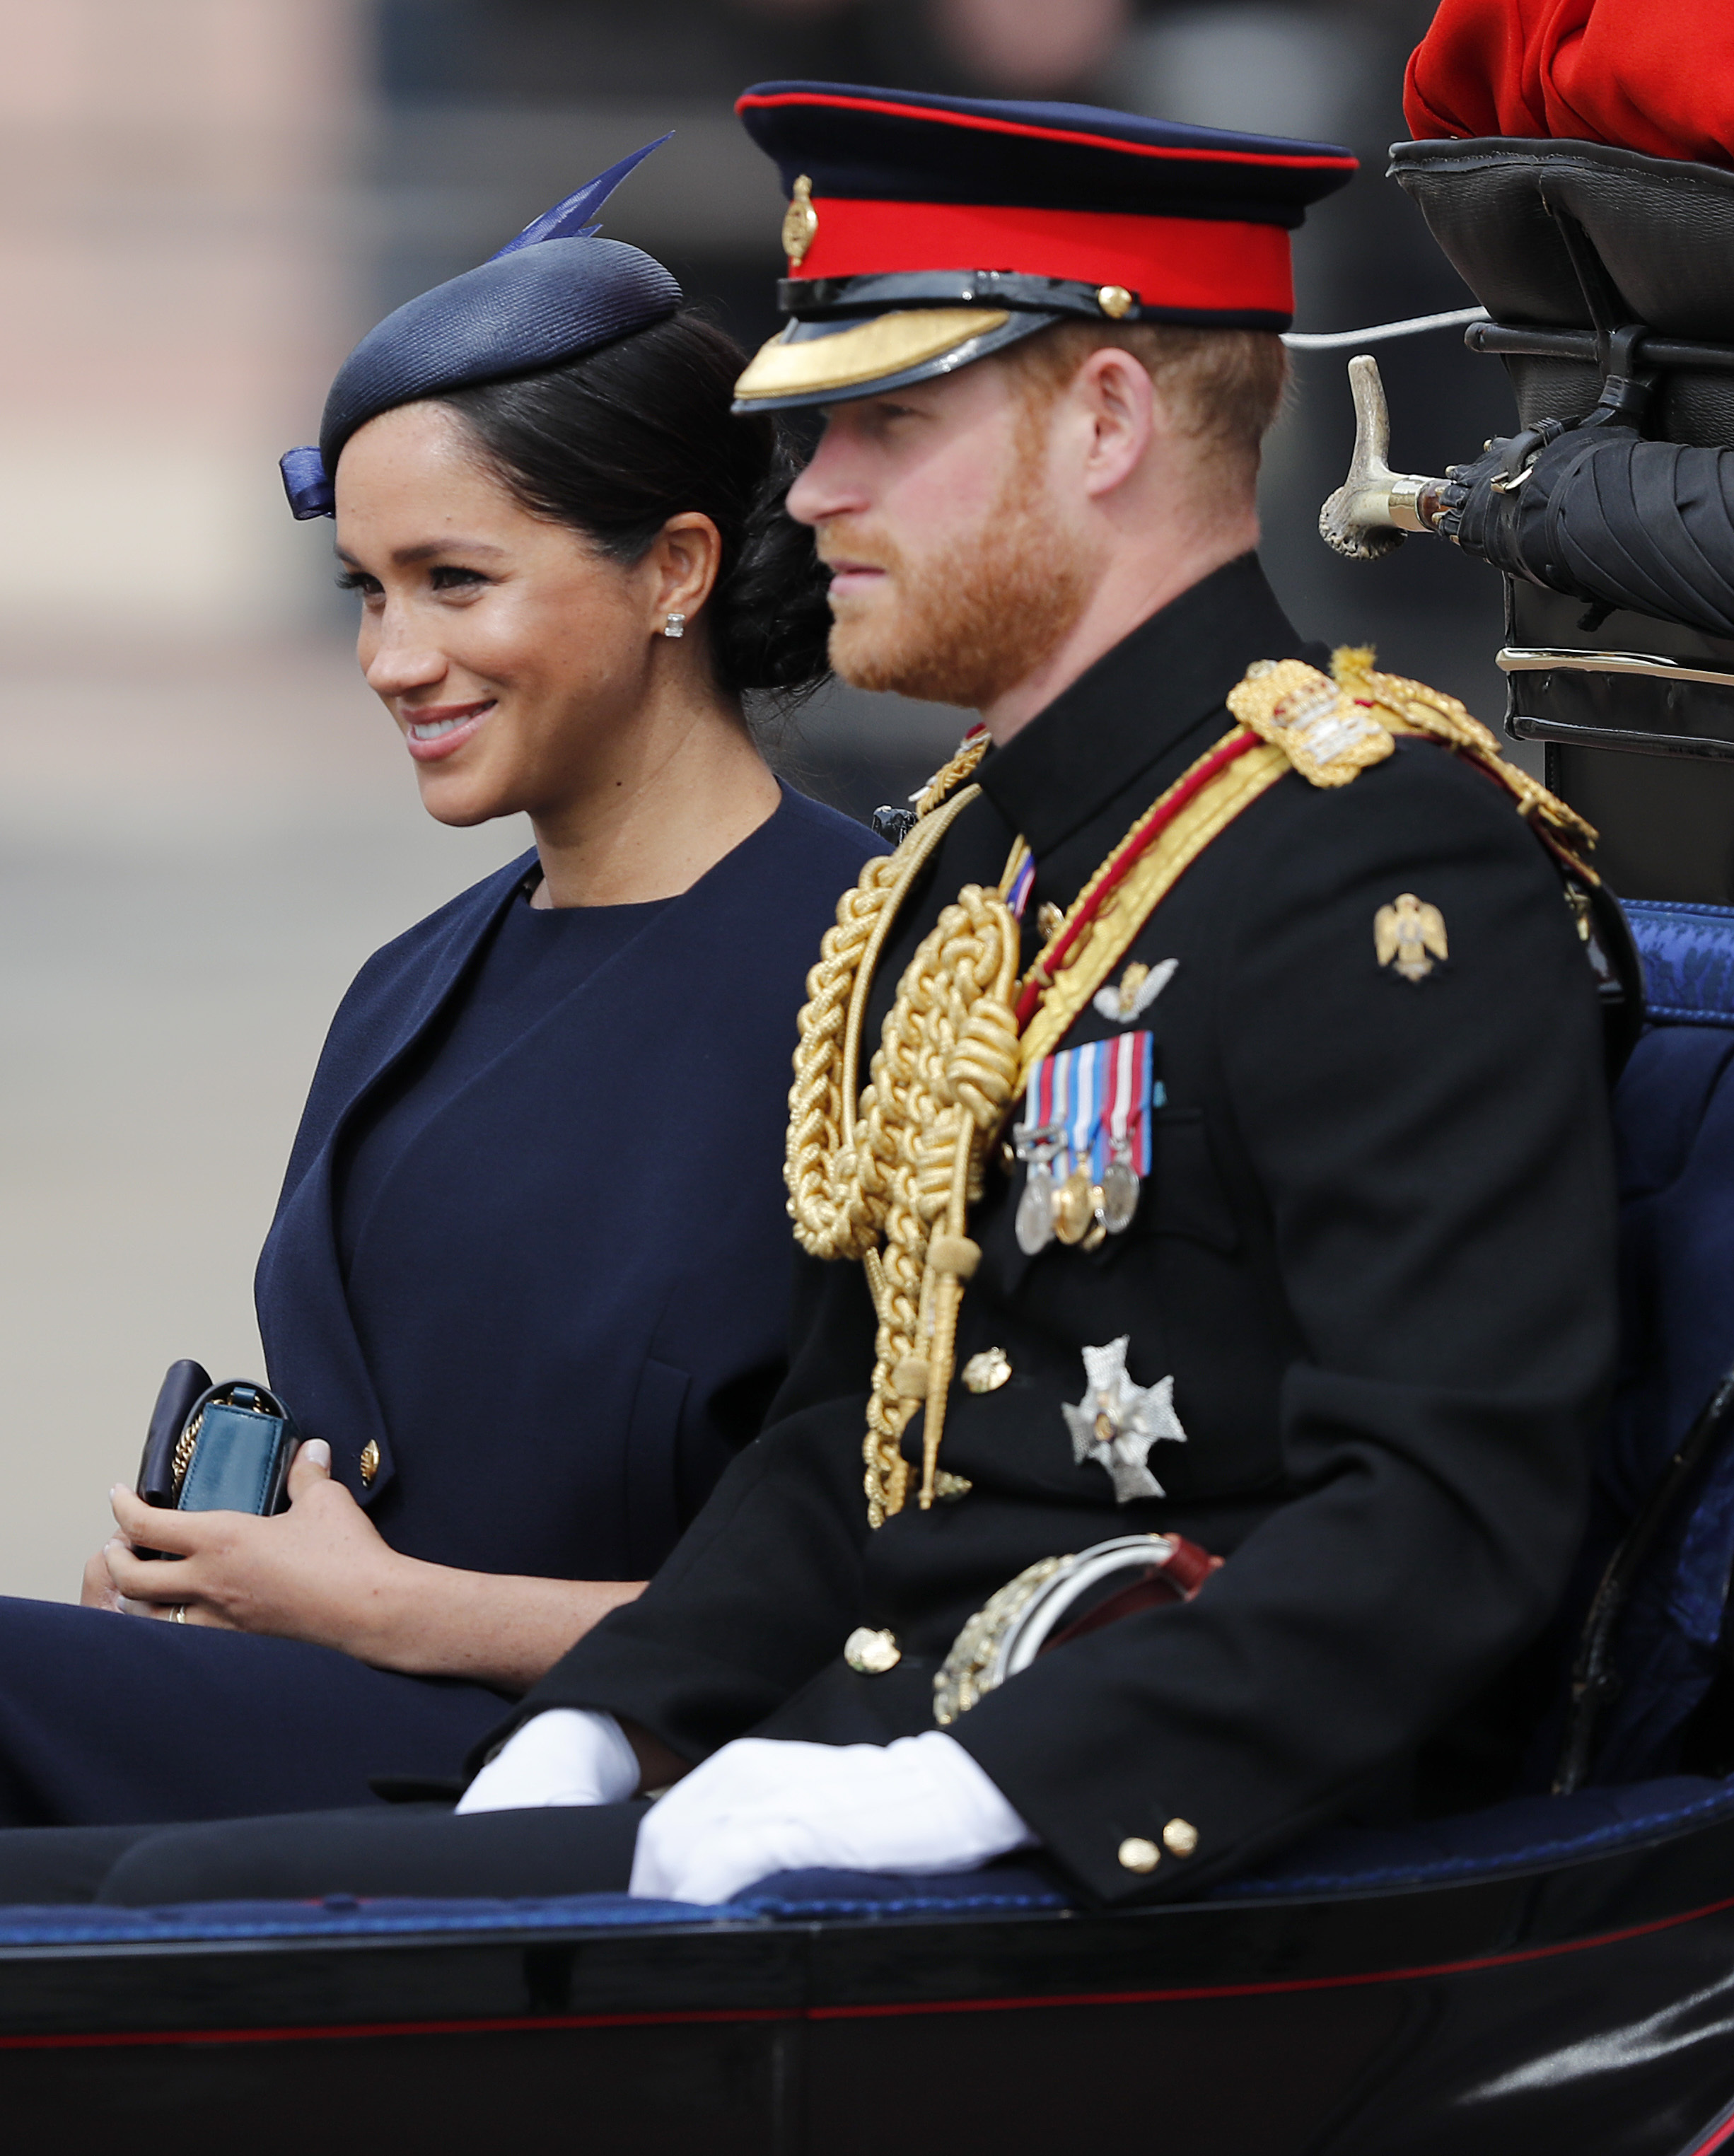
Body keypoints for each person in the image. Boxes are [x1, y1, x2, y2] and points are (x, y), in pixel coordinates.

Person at [0, 81, 1624, 1909]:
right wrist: (605, 1719)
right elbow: (851, 1436)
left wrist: (977, 1789)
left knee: (116, 1932)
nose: (812, 489)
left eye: (882, 424)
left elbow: (1443, 1508)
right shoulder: (965, 864)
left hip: (1144, 1856)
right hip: (822, 1770)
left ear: (1099, 419)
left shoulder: (1370, 857)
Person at [0, 144, 878, 1831]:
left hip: (609, 1818)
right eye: (369, 590)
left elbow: (903, 1614)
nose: (394, 660)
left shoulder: (872, 970)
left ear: (675, 572)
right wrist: (216, 1589)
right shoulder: (411, 983)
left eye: (456, 583)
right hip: (321, 1760)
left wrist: (378, 1606)